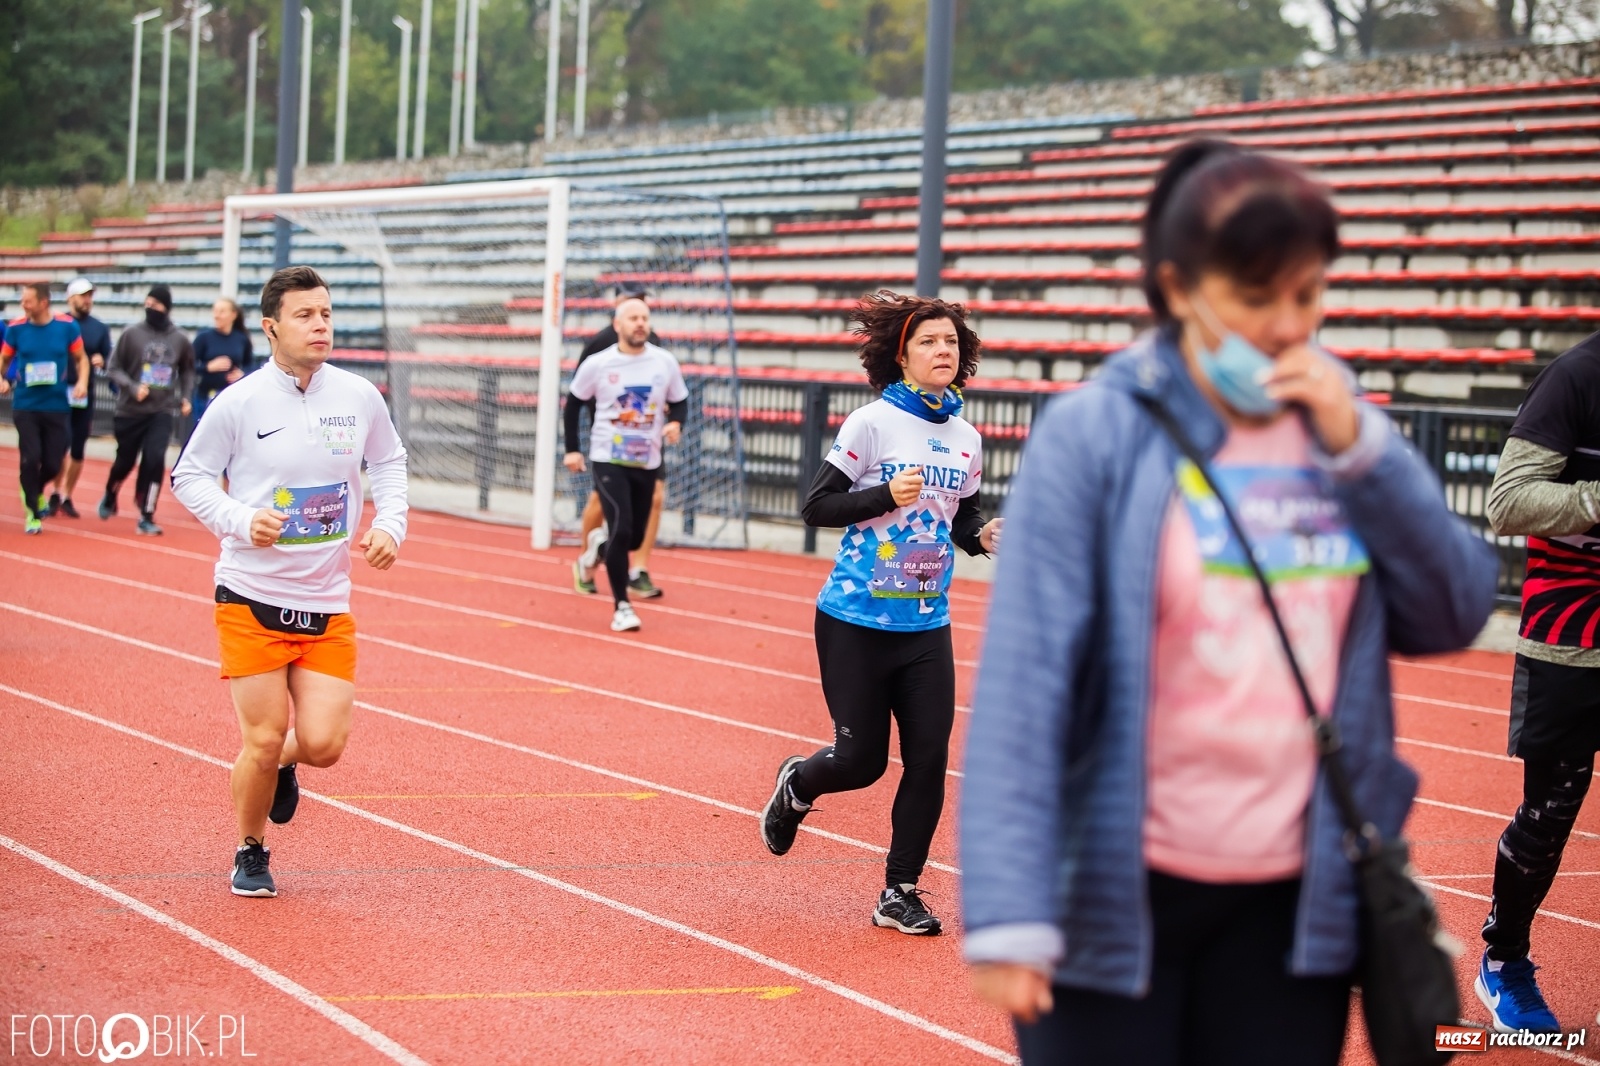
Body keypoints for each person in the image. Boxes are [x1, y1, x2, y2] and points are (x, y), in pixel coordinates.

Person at [958, 140, 1499, 1066]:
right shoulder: (1098, 435)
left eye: (1308, 294)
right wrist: (1007, 909)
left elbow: (1454, 608)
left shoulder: (1338, 431)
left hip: (1296, 906)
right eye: (1257, 300)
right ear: (1178, 289)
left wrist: (1363, 449)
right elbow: (1027, 678)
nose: (1290, 327)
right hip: (1114, 892)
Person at [760, 291, 1002, 937]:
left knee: (928, 759)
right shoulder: (870, 424)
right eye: (928, 341)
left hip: (926, 625)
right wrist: (879, 495)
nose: (942, 350)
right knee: (861, 762)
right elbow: (816, 507)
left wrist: (981, 536)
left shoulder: (967, 437)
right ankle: (799, 785)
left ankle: (900, 891)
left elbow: (965, 515)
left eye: (951, 341)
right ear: (902, 355)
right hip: (855, 621)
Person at [171, 265, 408, 898]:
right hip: (250, 595)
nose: (320, 325)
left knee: (324, 745)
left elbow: (388, 462)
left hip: (327, 599)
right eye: (305, 315)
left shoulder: (359, 396)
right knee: (265, 730)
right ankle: (251, 849)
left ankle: (282, 766)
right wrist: (241, 520)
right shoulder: (240, 401)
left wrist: (393, 524)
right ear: (272, 327)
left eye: (326, 313)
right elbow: (189, 477)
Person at [1474, 330, 1600, 1033]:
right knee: (1550, 816)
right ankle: (1505, 962)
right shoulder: (1576, 378)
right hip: (1571, 641)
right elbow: (1509, 502)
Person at [562, 296, 686, 633]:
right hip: (608, 457)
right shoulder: (599, 363)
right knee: (622, 528)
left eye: (644, 317)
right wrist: (573, 449)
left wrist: (676, 423)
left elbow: (680, 401)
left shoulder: (664, 362)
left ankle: (595, 551)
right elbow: (573, 404)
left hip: (647, 459)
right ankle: (622, 606)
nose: (640, 323)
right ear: (617, 325)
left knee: (631, 540)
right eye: (633, 317)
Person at [572, 283, 669, 599]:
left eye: (642, 306)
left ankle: (637, 568)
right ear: (617, 308)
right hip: (610, 439)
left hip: (647, 438)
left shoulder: (654, 345)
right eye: (631, 305)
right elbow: (580, 391)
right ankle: (589, 559)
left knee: (655, 497)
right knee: (601, 501)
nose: (638, 317)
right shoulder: (600, 344)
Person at [100, 284, 195, 535]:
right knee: (125, 461)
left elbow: (187, 370)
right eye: (147, 304)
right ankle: (111, 491)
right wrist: (132, 387)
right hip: (130, 411)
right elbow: (113, 367)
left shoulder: (180, 338)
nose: (150, 309)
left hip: (161, 410)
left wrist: (185, 397)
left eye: (155, 305)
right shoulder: (131, 334)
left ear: (166, 307)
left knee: (154, 460)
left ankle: (147, 512)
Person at [0, 283, 90, 534]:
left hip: (57, 405)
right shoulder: (16, 328)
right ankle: (32, 513)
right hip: (26, 405)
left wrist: (82, 381)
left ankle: (35, 489)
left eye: (28, 301)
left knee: (52, 463)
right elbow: (4, 359)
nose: (23, 305)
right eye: (22, 300)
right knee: (30, 459)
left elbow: (81, 358)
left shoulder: (66, 327)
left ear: (43, 303)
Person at [42, 278, 113, 518]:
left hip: (85, 393)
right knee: (59, 445)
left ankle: (66, 495)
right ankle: (54, 490)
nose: (87, 300)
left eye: (90, 296)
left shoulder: (99, 328)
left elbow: (109, 359)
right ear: (70, 298)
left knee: (78, 447)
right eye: (83, 295)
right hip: (59, 392)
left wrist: (102, 362)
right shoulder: (58, 324)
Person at [186, 297, 254, 446]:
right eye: (215, 311)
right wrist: (208, 367)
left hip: (231, 397)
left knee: (229, 441)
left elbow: (251, 366)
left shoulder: (242, 339)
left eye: (222, 311)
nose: (217, 315)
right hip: (205, 396)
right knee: (203, 439)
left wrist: (242, 375)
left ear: (233, 314)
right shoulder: (204, 337)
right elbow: (188, 365)